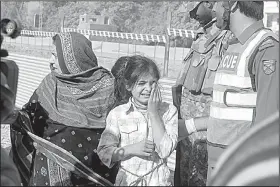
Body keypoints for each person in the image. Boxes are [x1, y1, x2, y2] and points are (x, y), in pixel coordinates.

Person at [179, 1, 279, 184]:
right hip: (219, 161)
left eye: (216, 2)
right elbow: (229, 113)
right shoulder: (234, 45)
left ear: (232, 5)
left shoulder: (266, 49)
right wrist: (189, 126)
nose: (214, 9)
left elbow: (268, 126)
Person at [9, 32, 117, 186]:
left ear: (71, 59)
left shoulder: (109, 88)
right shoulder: (50, 84)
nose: (51, 61)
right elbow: (28, 119)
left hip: (95, 177)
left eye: (55, 55)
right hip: (48, 173)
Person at [173, 1, 232, 186]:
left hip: (205, 122)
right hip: (186, 122)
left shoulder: (228, 37)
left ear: (208, 3)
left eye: (194, 10)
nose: (192, 16)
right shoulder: (200, 36)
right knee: (183, 172)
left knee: (199, 175)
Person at [97, 55, 178, 186]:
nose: (149, 88)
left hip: (159, 182)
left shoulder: (169, 111)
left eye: (153, 82)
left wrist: (153, 113)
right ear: (128, 85)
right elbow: (104, 153)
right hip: (129, 182)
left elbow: (164, 150)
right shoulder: (118, 114)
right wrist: (131, 149)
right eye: (141, 83)